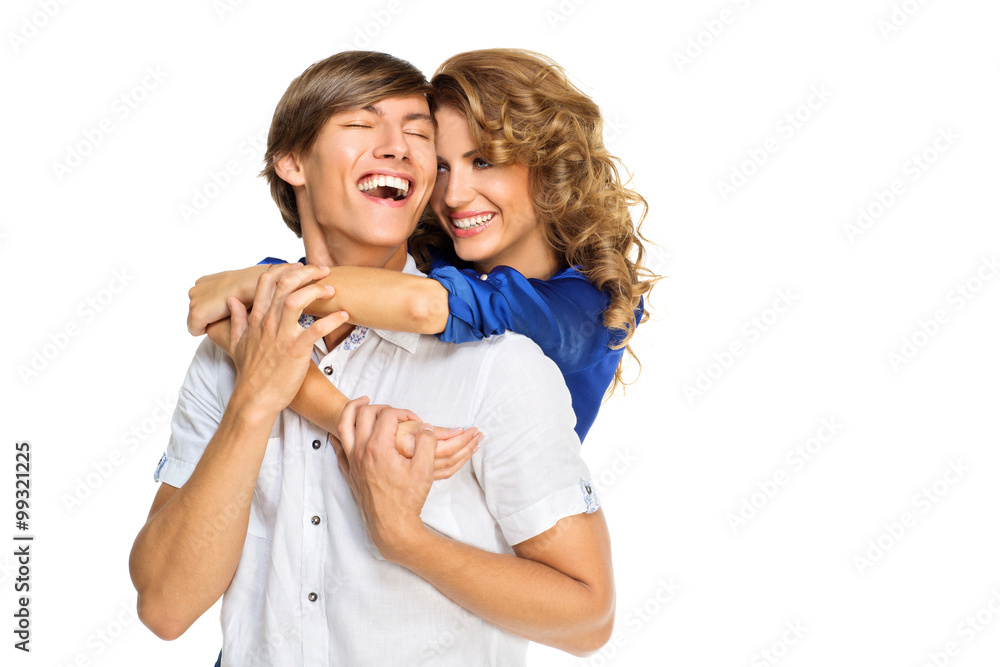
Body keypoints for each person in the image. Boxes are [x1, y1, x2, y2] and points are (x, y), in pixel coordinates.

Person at [129, 50, 614, 666]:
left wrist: (404, 537)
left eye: (417, 133)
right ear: (292, 162)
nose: (398, 148)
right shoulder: (229, 352)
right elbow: (164, 609)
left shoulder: (502, 358)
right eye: (361, 124)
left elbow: (589, 620)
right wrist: (255, 400)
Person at [187, 48, 656, 446]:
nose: (453, 197)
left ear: (550, 167)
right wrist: (343, 417)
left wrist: (258, 283)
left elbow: (423, 306)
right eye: (443, 166)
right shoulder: (429, 254)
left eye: (483, 161)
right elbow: (244, 323)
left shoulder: (597, 305)